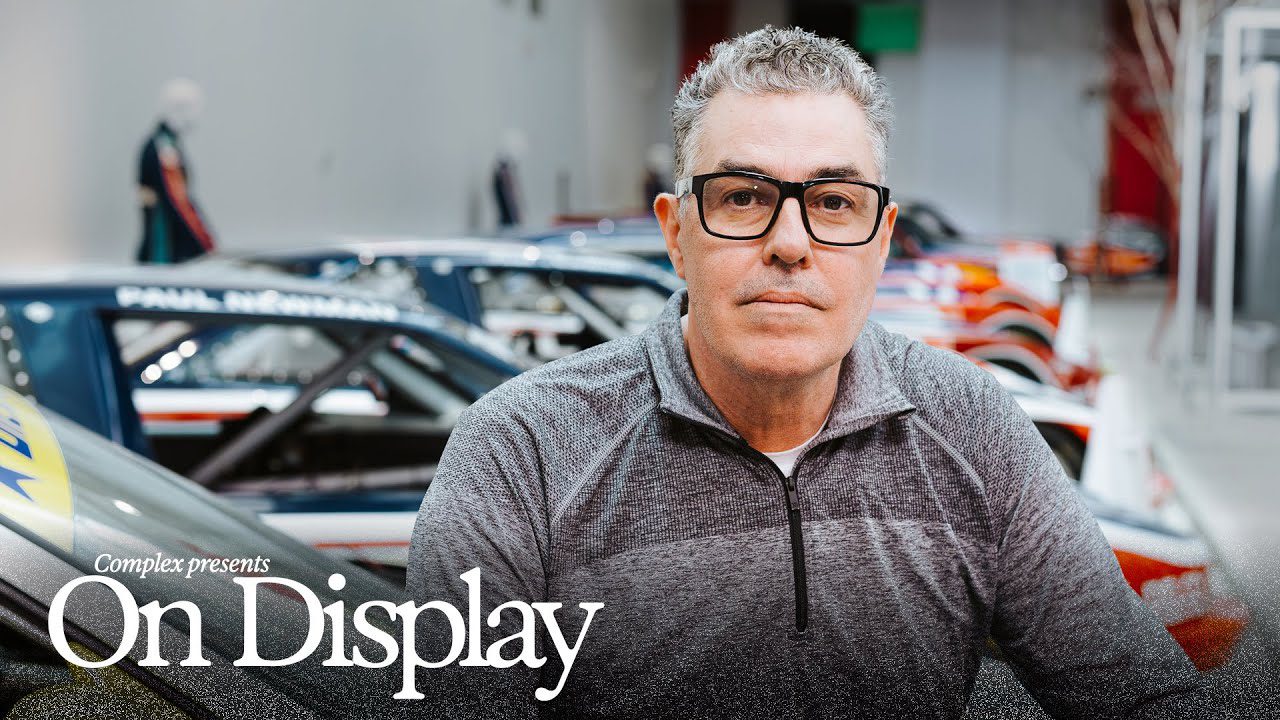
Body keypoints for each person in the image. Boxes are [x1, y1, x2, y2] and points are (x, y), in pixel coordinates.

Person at [407, 26, 1215, 718]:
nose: (790, 242)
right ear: (676, 233)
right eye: (743, 196)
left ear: (883, 236)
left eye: (833, 202)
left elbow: (1141, 692)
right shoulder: (520, 451)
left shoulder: (970, 424)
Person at [135, 78, 216, 264]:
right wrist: (202, 240)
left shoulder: (166, 144)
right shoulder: (164, 147)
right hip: (165, 243)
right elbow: (178, 200)